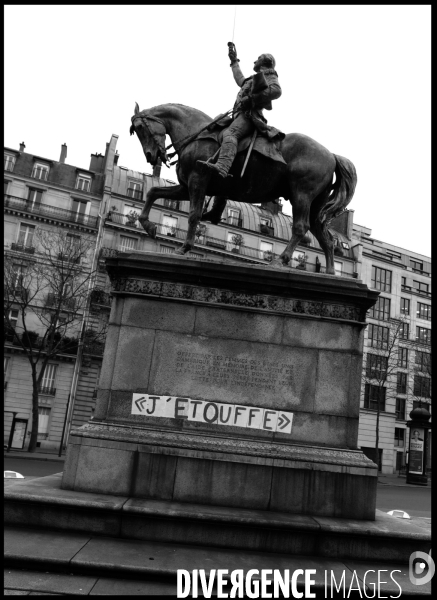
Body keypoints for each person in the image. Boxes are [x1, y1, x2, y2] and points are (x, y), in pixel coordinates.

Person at [198, 44, 284, 178]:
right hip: (238, 115)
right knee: (214, 123)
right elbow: (240, 79)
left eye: (258, 58)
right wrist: (234, 61)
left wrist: (251, 99)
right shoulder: (252, 79)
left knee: (230, 133)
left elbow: (276, 91)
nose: (255, 61)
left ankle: (222, 166)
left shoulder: (270, 75)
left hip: (250, 117)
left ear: (266, 62)